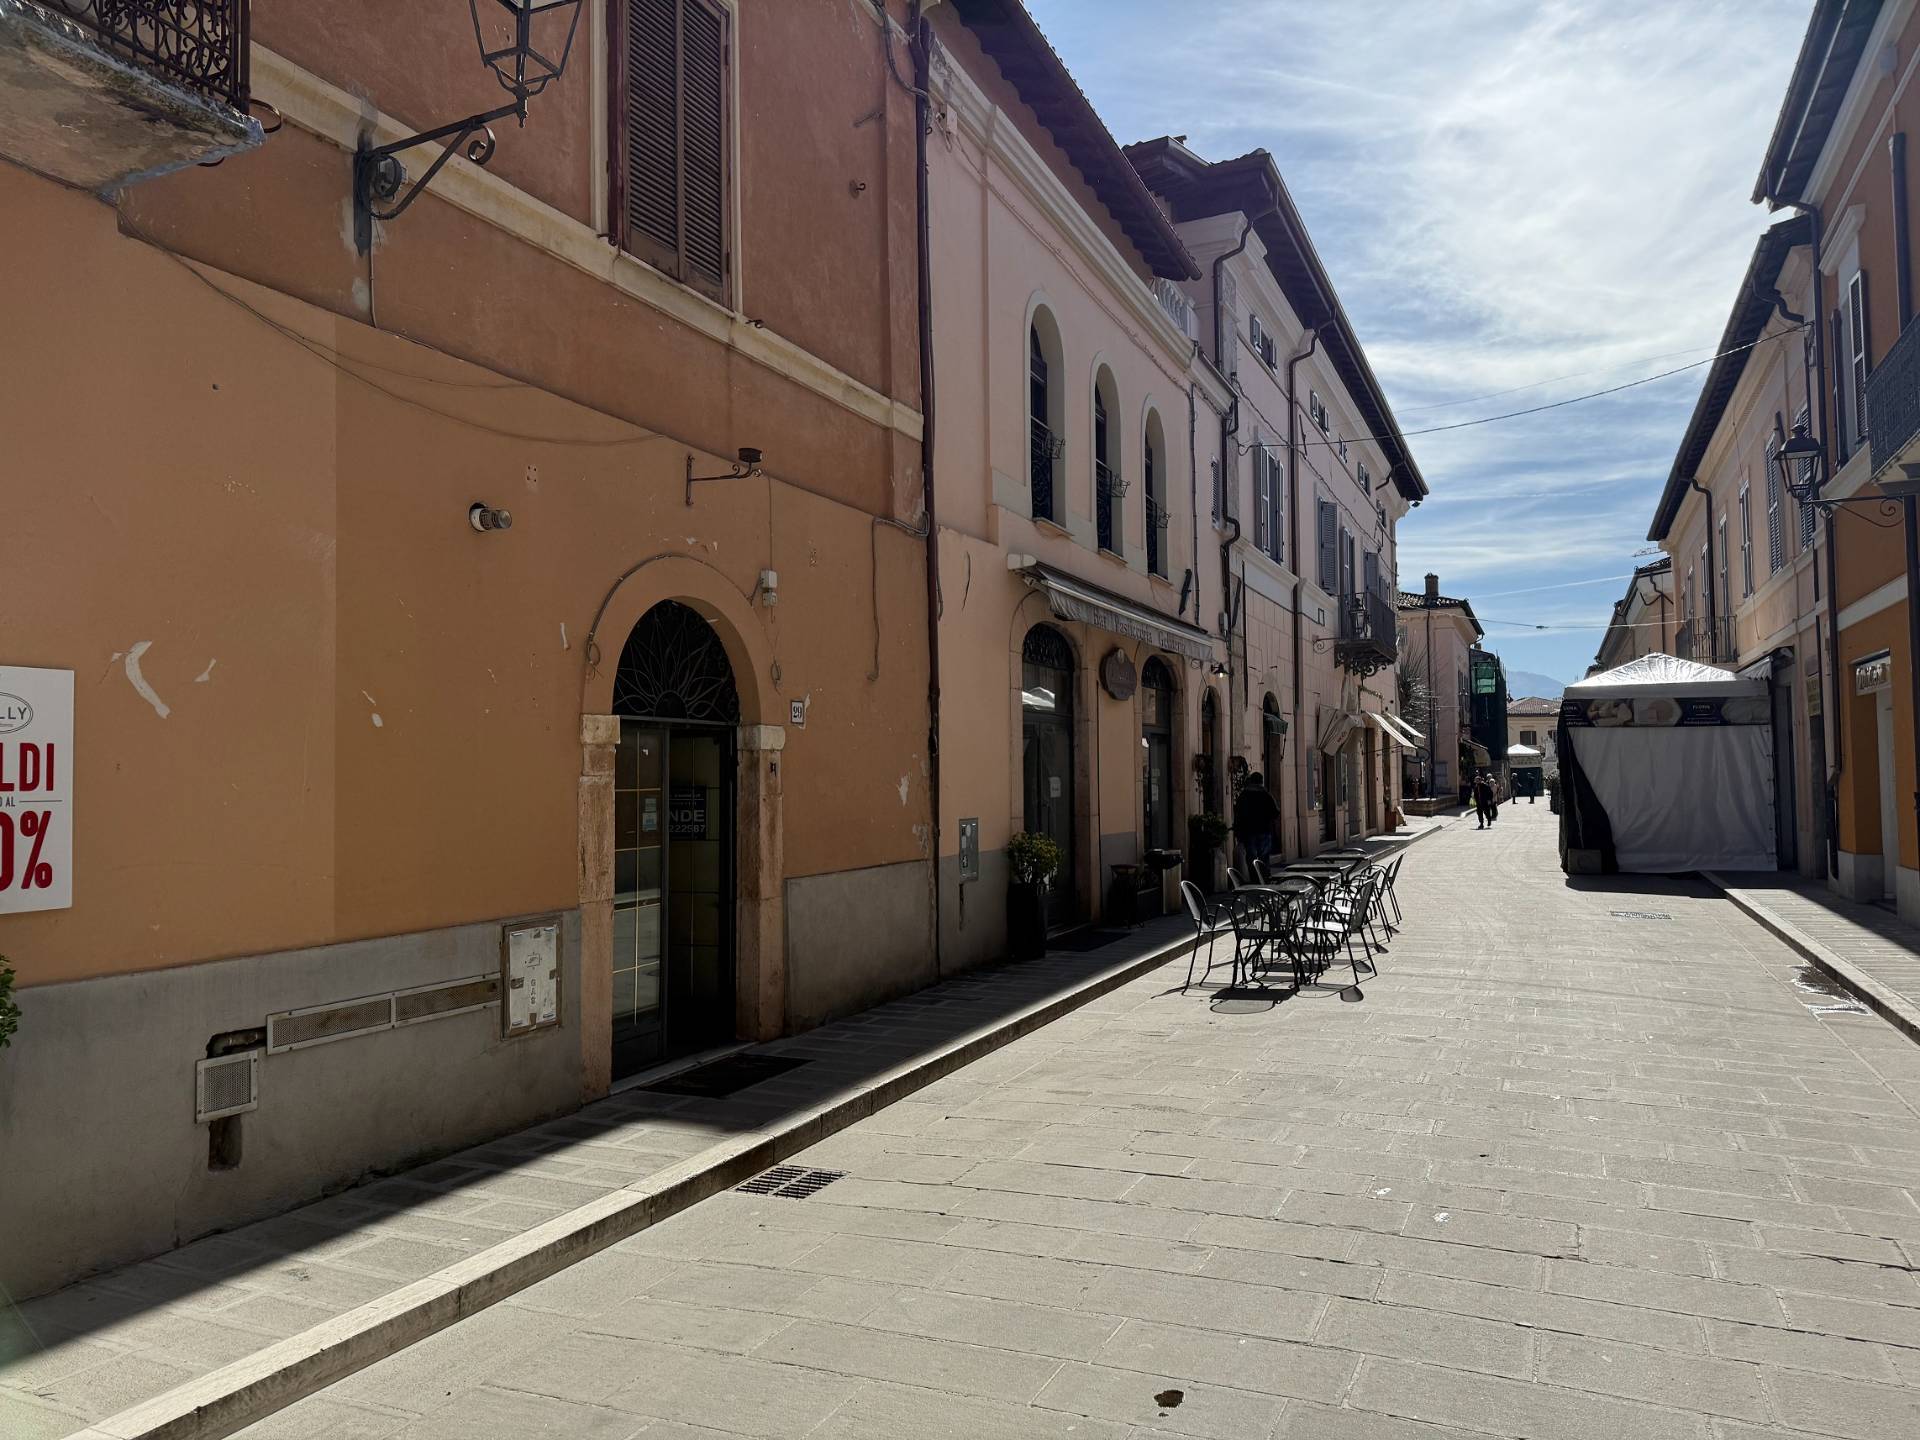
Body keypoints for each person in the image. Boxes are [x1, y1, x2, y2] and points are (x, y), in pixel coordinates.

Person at [1233, 772, 1281, 875]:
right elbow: (1275, 812)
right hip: (1264, 830)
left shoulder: (1244, 795)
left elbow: (1238, 813)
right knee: (1264, 858)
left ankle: (1255, 878)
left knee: (1251, 858)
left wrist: (1238, 831)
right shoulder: (1266, 795)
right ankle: (1265, 878)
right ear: (1261, 782)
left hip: (1249, 831)